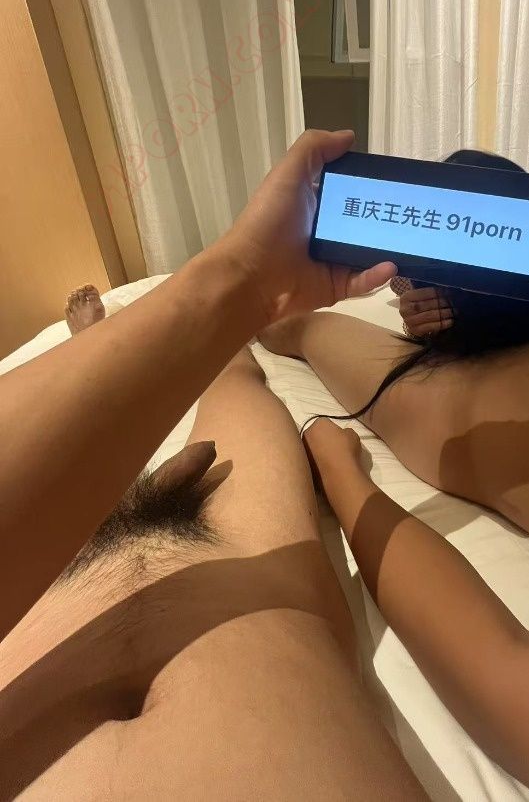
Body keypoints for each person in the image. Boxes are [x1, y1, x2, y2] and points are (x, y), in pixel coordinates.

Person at [258, 153, 529, 798]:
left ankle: (511, 287)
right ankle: (511, 284)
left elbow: (507, 671)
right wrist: (342, 470)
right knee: (320, 336)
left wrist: (340, 468)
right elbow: (503, 670)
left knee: (318, 334)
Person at [0, 130, 426, 800]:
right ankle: (211, 328)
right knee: (237, 389)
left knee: (230, 384)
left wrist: (248, 278)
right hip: (251, 576)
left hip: (49, 596)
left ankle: (188, 336)